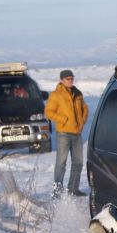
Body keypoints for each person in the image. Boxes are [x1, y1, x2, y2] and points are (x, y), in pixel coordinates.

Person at [45, 69, 89, 198]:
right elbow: (49, 112)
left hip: (77, 133)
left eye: (71, 78)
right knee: (61, 163)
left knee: (78, 163)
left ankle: (73, 189)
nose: (70, 81)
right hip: (63, 133)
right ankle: (57, 192)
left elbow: (85, 109)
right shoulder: (56, 95)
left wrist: (82, 121)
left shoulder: (78, 93)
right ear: (62, 80)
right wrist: (63, 120)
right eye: (68, 79)